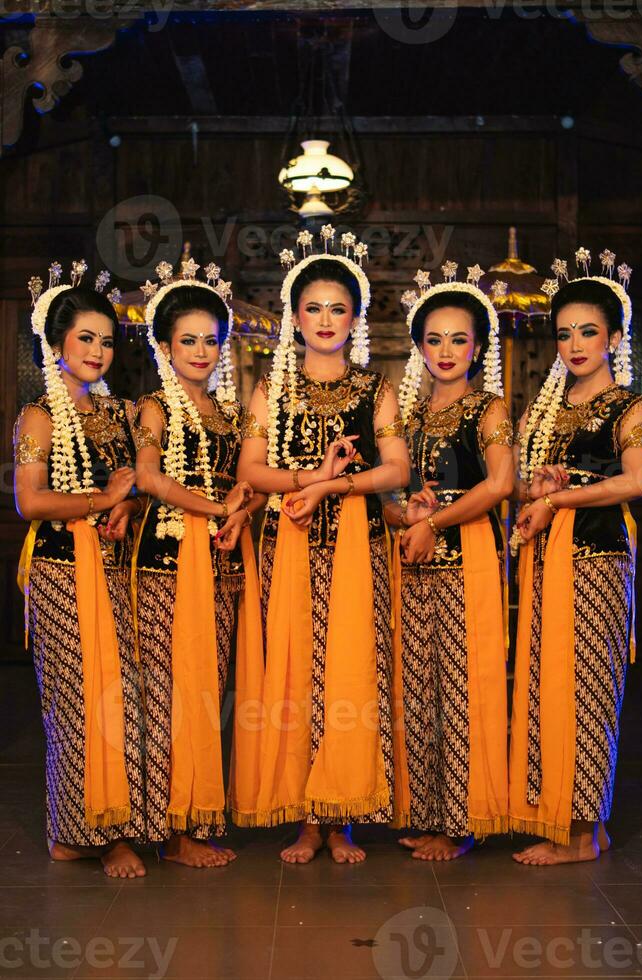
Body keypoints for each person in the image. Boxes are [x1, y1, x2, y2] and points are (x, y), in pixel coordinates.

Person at [233, 226, 410, 864]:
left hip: (358, 548)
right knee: (296, 675)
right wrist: (312, 478)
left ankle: (344, 817)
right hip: (292, 547)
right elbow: (250, 473)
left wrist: (338, 486)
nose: (326, 319)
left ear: (355, 317)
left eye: (338, 308)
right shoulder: (272, 390)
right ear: (296, 317)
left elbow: (398, 469)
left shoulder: (374, 388)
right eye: (314, 308)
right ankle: (307, 817)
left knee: (352, 673)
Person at [509, 249, 642, 865]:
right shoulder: (550, 412)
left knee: (590, 688)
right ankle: (567, 817)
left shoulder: (629, 406)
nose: (574, 343)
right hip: (548, 557)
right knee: (551, 686)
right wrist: (540, 486)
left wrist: (561, 496)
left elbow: (637, 481)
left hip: (597, 555)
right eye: (564, 332)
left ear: (615, 337)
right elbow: (519, 486)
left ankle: (585, 833)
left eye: (588, 331)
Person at [15, 263, 147, 878]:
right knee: (74, 705)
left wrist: (127, 503)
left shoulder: (119, 414)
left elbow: (136, 487)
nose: (97, 351)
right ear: (56, 342)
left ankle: (112, 825)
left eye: (105, 340)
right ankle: (78, 833)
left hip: (120, 572)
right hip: (61, 573)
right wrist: (102, 501)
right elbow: (32, 502)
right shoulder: (37, 416)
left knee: (121, 701)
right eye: (85, 338)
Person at [133, 259, 261, 868]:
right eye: (188, 340)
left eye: (212, 340)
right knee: (166, 693)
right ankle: (167, 827)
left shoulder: (230, 414)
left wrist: (242, 507)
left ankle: (194, 814)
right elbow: (149, 478)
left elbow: (251, 482)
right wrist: (216, 508)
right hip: (167, 559)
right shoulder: (153, 408)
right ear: (163, 345)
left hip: (225, 562)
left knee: (208, 690)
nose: (202, 351)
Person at [386, 263, 512, 861]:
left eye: (459, 339)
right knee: (420, 689)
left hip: (469, 560)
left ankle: (462, 821)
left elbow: (501, 484)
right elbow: (386, 495)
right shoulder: (406, 419)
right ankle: (431, 813)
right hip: (411, 565)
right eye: (434, 339)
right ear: (418, 347)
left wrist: (434, 521)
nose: (446, 350)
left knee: (463, 685)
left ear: (478, 347)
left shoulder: (488, 409)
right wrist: (405, 514)